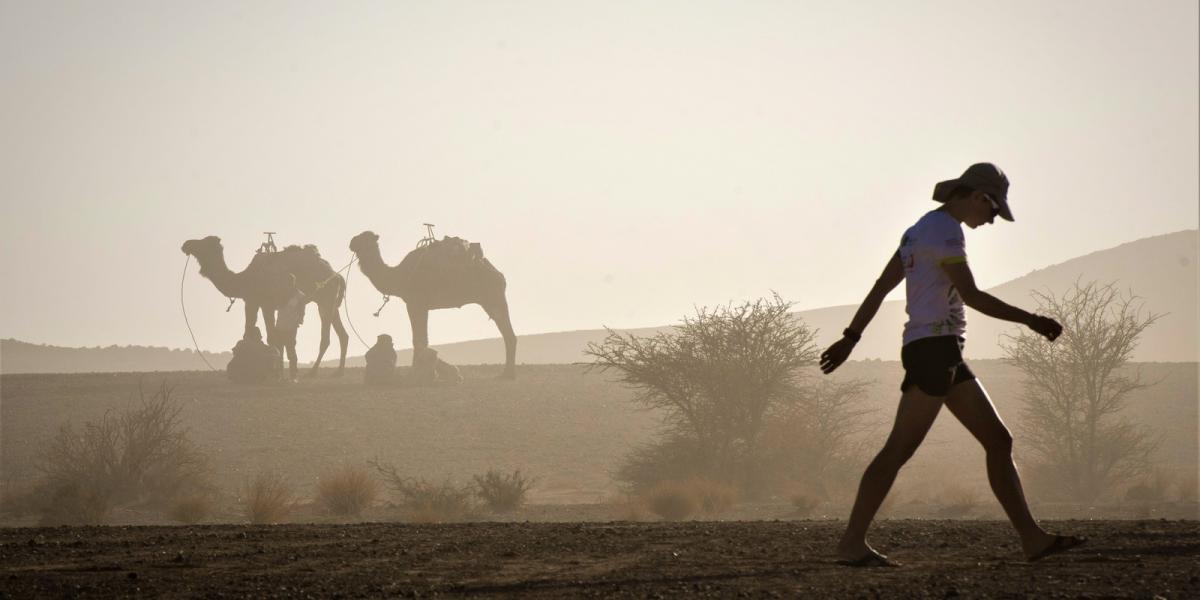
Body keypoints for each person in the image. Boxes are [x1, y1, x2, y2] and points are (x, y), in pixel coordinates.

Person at [821, 163, 1085, 567]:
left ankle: (1033, 539)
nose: (992, 220)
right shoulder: (946, 232)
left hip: (938, 349)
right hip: (935, 349)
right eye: (993, 210)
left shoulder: (918, 229)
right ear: (979, 197)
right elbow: (972, 295)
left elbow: (881, 286)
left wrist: (851, 337)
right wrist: (1032, 320)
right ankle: (851, 543)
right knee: (898, 450)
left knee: (999, 441)